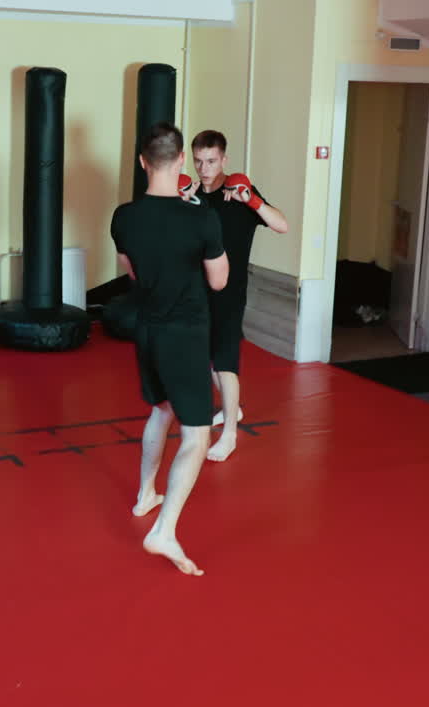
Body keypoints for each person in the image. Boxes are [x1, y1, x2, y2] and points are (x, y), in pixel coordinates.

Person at [111, 122, 229, 576]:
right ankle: (164, 529)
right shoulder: (201, 217)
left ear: (143, 162)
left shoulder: (124, 217)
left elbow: (133, 271)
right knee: (197, 435)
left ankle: (146, 493)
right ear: (182, 160)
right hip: (185, 334)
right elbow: (219, 280)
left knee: (161, 409)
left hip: (146, 329)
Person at [182, 130, 289, 462]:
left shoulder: (239, 193)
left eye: (211, 161)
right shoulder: (193, 195)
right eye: (199, 161)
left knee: (225, 358)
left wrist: (252, 200)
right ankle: (233, 410)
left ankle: (229, 433)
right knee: (206, 357)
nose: (205, 168)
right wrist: (178, 204)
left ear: (224, 160)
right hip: (197, 289)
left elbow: (282, 225)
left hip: (231, 290)